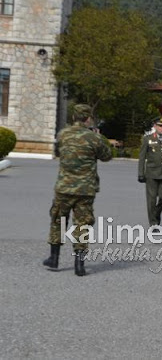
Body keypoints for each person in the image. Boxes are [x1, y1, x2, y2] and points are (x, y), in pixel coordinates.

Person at [43, 104, 112, 276]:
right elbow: (107, 156)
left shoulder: (63, 134)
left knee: (58, 221)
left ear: (74, 117)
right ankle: (79, 265)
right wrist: (99, 139)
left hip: (64, 187)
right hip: (85, 189)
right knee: (82, 225)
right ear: (88, 118)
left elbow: (59, 152)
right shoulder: (93, 138)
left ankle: (54, 258)